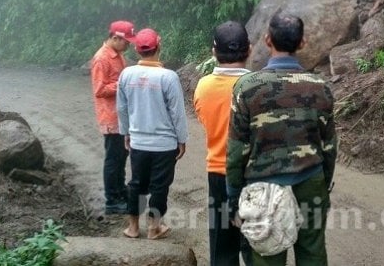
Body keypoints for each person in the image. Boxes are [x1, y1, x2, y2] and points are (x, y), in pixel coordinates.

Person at [226, 13, 338, 265]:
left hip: (263, 186)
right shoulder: (320, 87)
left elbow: (236, 149)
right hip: (311, 180)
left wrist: (234, 196)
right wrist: (324, 184)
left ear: (267, 40)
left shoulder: (247, 87)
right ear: (302, 43)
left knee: (267, 253)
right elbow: (329, 146)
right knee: (312, 252)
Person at [117, 28, 188, 240]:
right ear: (159, 45)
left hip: (138, 142)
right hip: (164, 145)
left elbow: (122, 108)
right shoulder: (168, 77)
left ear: (137, 50)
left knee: (136, 183)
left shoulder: (126, 74)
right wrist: (182, 139)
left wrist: (125, 133)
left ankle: (132, 227)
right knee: (160, 186)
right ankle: (154, 228)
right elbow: (177, 113)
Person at [194, 21, 253, 266]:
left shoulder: (203, 87)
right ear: (249, 50)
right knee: (257, 246)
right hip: (254, 175)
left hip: (219, 173)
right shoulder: (259, 85)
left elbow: (205, 121)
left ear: (213, 51)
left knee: (222, 247)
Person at [90, 20, 136, 215]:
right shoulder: (102, 59)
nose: (128, 45)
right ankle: (112, 199)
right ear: (115, 38)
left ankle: (120, 191)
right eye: (126, 41)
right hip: (111, 117)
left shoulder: (118, 56)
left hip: (120, 116)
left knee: (120, 157)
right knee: (113, 159)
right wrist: (123, 85)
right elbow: (99, 89)